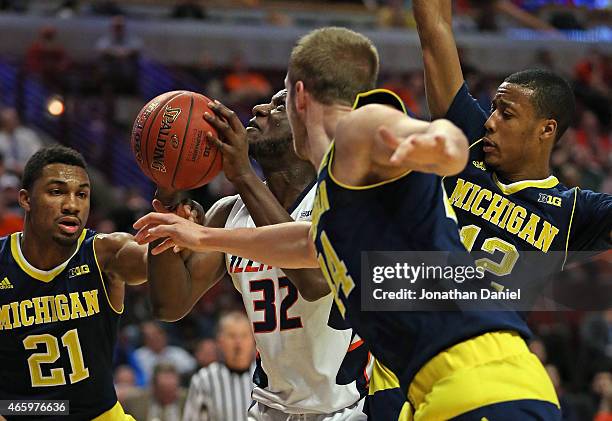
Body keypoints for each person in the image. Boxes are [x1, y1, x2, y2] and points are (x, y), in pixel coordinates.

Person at [135, 26, 573, 419]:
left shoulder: (358, 135)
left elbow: (412, 135)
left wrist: (442, 146)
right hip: (431, 391)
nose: (259, 111)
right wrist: (195, 227)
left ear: (301, 96)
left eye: (279, 100)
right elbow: (306, 245)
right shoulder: (335, 205)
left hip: (473, 383)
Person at [143, 89, 372, 420]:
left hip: (345, 410)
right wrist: (167, 201)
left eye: (280, 106)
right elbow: (169, 305)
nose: (259, 107)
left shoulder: (343, 202)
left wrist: (243, 176)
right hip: (268, 408)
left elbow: (313, 280)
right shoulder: (228, 214)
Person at [413, 0, 611, 305]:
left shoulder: (572, 212)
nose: (490, 122)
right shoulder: (470, 138)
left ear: (546, 130)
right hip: (412, 325)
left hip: (486, 344)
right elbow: (434, 29)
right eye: (493, 109)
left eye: (506, 114)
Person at [0, 145, 148, 420]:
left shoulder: (104, 251)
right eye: (57, 192)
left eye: (82, 194)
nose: (72, 205)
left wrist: (183, 233)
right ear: (25, 199)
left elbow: (151, 264)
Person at [182, 311, 254, 421]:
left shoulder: (268, 379)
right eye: (232, 336)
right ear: (220, 341)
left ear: (253, 340)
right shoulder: (204, 379)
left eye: (244, 336)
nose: (238, 343)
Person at [122, 363, 187, 421]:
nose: (167, 396)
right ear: (154, 387)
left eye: (171, 391)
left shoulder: (187, 400)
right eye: (162, 391)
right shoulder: (134, 401)